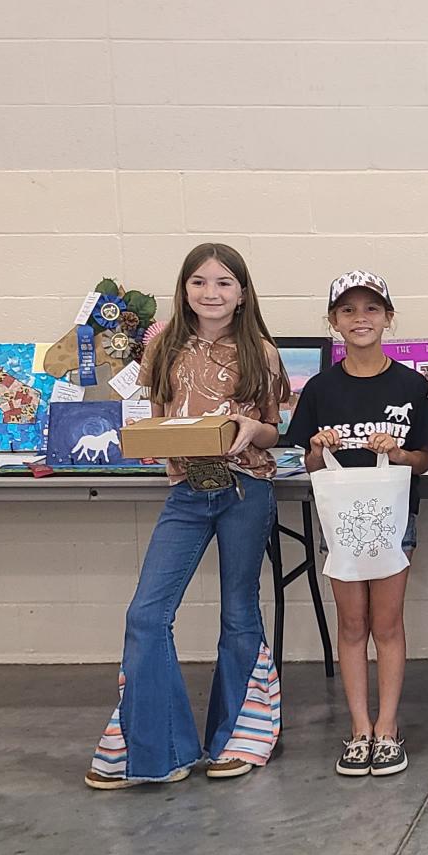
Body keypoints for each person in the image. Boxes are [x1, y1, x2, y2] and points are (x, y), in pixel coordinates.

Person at [86, 242, 289, 789]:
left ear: (242, 293)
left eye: (224, 283)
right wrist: (150, 443)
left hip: (245, 488)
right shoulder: (165, 349)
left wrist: (252, 431)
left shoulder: (262, 353)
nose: (211, 293)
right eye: (199, 282)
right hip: (186, 493)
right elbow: (152, 421)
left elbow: (275, 428)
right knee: (147, 614)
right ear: (184, 289)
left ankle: (240, 737)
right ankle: (158, 749)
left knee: (239, 612)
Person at [288, 270, 428, 778]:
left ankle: (389, 727)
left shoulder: (413, 386)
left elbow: (422, 460)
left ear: (388, 318)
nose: (360, 319)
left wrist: (395, 452)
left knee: (387, 622)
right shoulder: (320, 390)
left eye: (371, 309)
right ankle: (359, 729)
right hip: (340, 522)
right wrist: (317, 448)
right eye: (348, 310)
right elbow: (304, 464)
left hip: (396, 519)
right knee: (352, 625)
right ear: (333, 321)